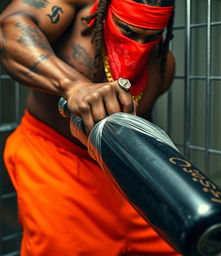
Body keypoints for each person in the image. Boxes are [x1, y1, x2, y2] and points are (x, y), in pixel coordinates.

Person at [0, 0, 178, 255]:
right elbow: (10, 27)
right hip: (54, 155)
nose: (138, 46)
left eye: (150, 36)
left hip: (116, 166)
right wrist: (74, 86)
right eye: (127, 31)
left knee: (173, 242)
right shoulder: (74, 8)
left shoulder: (163, 66)